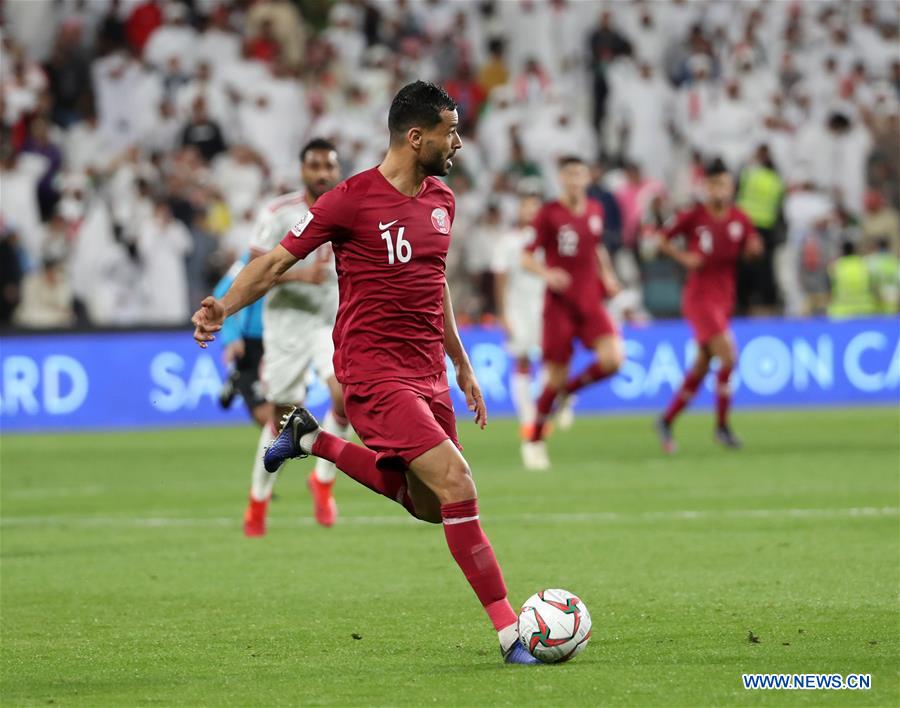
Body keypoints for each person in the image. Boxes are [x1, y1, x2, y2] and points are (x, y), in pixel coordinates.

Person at [191, 82, 539, 665]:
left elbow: (435, 281)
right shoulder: (350, 200)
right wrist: (224, 307)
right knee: (459, 484)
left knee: (431, 506)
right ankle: (511, 635)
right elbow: (273, 263)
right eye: (450, 132)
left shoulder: (442, 200)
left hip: (428, 371)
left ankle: (311, 439)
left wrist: (460, 361)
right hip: (373, 373)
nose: (458, 143)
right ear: (416, 137)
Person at [242, 138, 351, 535]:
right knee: (282, 417)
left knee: (345, 397)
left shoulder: (350, 208)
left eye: (329, 166)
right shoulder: (277, 213)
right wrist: (299, 274)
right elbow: (254, 268)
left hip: (330, 321)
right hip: (286, 323)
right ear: (302, 170)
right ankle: (258, 500)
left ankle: (322, 481)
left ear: (337, 170)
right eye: (315, 166)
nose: (322, 173)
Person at [520, 156, 624, 470]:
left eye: (580, 174)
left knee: (613, 360)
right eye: (570, 175)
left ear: (587, 178)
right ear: (561, 178)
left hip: (590, 300)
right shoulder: (549, 213)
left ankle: (569, 393)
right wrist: (547, 273)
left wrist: (608, 276)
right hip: (560, 305)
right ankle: (534, 440)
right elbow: (527, 257)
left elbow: (596, 247)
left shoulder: (595, 209)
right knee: (554, 377)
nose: (575, 180)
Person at [656, 158, 763, 453]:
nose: (719, 190)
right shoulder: (693, 215)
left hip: (724, 297)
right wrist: (683, 257)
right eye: (714, 184)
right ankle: (722, 427)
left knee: (702, 365)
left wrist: (754, 251)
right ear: (706, 187)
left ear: (731, 188)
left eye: (724, 184)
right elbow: (660, 239)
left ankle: (666, 420)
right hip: (699, 298)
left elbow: (752, 248)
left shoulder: (740, 218)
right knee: (728, 356)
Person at [491, 190, 544, 442]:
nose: (530, 212)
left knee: (553, 358)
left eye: (535, 207)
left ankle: (547, 408)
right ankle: (527, 417)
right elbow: (500, 277)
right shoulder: (508, 241)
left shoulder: (546, 238)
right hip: (517, 308)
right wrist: (503, 314)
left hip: (544, 306)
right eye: (526, 207)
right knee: (522, 361)